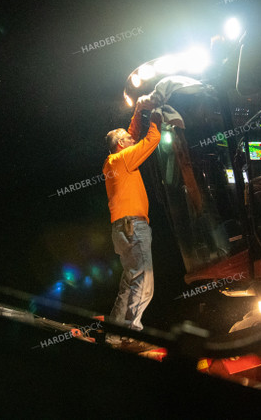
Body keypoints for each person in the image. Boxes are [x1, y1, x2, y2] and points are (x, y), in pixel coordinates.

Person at [103, 95, 162, 344]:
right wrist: (157, 116)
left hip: (121, 229)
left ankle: (114, 335)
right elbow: (152, 140)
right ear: (120, 145)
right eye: (128, 140)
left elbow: (132, 134)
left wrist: (138, 111)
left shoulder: (113, 162)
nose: (132, 139)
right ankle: (131, 334)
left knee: (129, 282)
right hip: (134, 227)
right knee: (144, 280)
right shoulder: (125, 158)